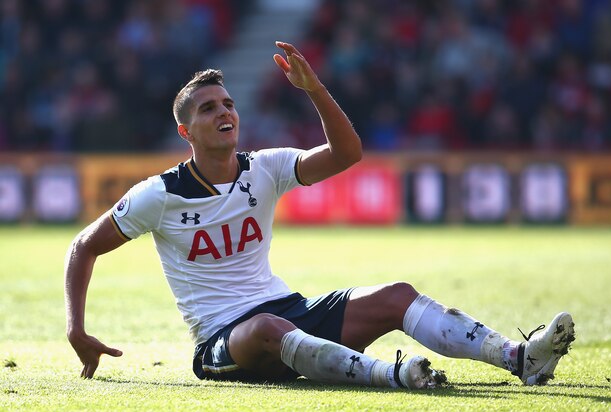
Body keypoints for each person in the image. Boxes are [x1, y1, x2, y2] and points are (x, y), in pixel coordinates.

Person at [64, 41, 575, 388]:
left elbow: (347, 154)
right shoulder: (159, 194)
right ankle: (392, 375)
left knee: (396, 294)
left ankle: (517, 358)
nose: (224, 112)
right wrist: (76, 329)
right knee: (265, 325)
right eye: (208, 108)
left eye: (228, 103)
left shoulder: (264, 168)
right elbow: (83, 246)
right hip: (226, 341)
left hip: (290, 312)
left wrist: (314, 90)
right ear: (186, 132)